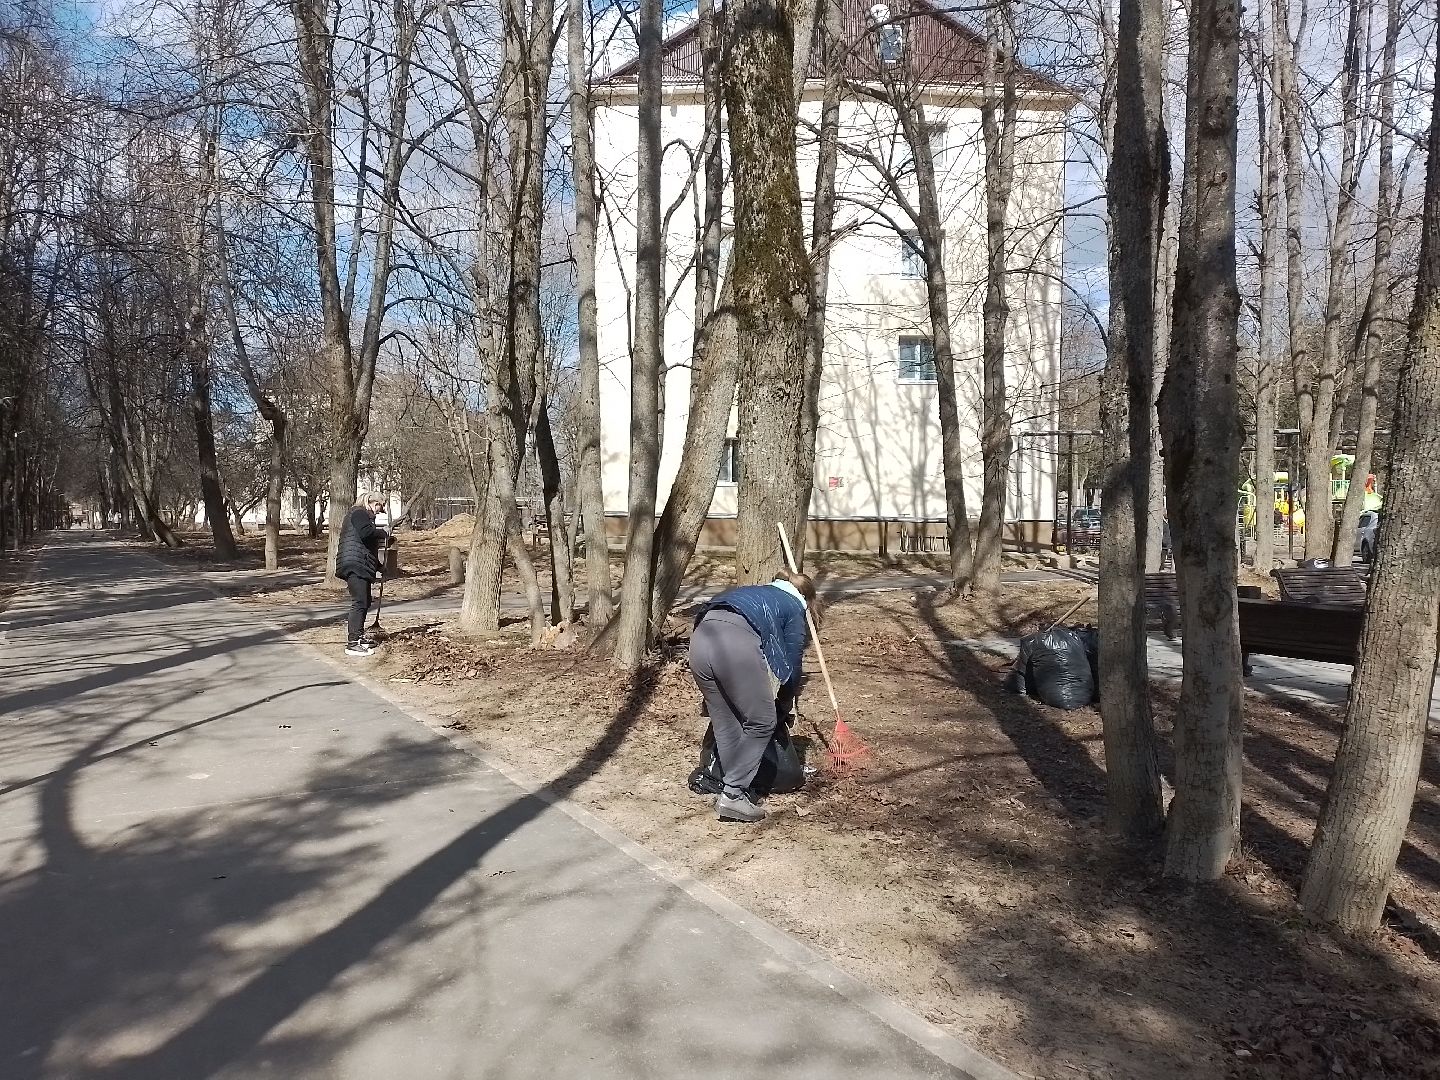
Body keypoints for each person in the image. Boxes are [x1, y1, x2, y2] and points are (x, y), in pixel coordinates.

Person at [689, 571, 817, 823]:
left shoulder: (754, 593)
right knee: (762, 721)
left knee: (726, 720)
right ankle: (734, 795)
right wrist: (785, 700)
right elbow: (792, 661)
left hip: (700, 640)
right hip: (733, 645)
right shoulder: (793, 606)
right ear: (806, 597)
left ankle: (731, 786)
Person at [335, 493, 393, 657]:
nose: (379, 512)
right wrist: (383, 533)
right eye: (379, 507)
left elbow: (367, 544)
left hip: (360, 563)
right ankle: (352, 643)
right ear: (371, 502)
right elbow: (366, 533)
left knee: (365, 601)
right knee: (359, 602)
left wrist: (379, 566)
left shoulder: (363, 517)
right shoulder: (359, 513)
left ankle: (359, 638)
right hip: (354, 564)